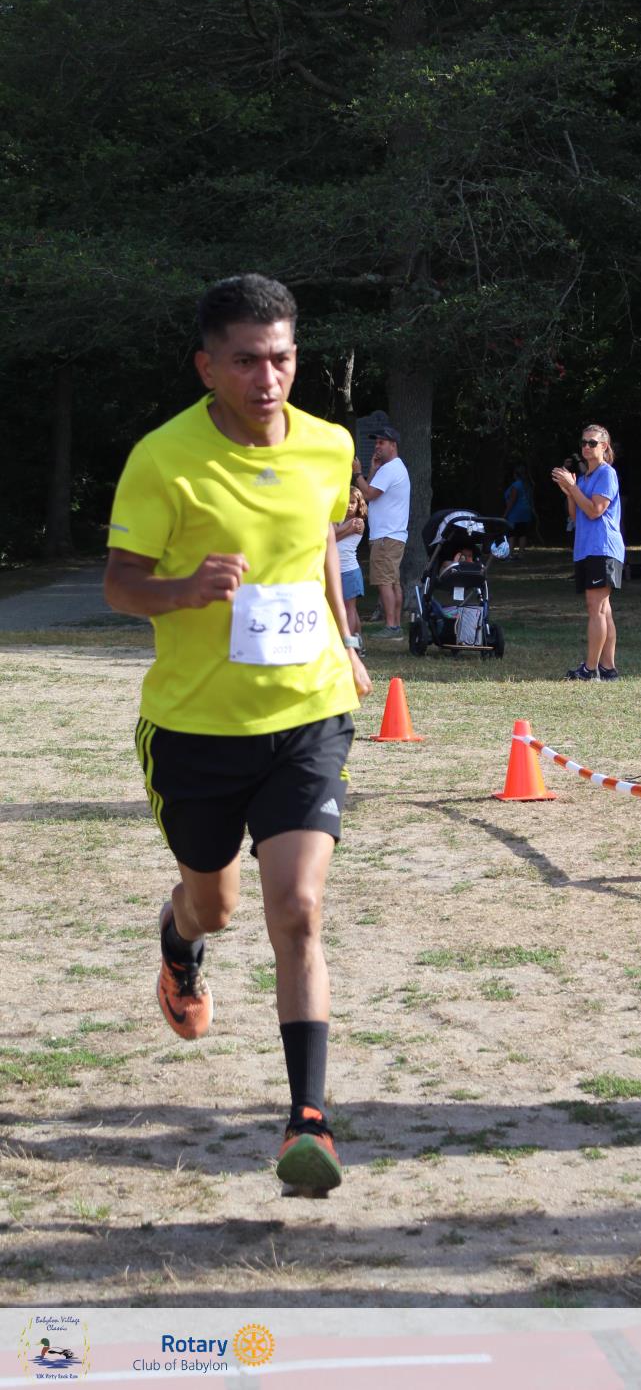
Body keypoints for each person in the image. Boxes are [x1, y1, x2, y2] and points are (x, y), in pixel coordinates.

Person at [103, 273, 372, 1196]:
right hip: (195, 729)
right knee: (213, 907)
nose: (269, 378)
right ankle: (179, 944)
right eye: (248, 360)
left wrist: (347, 641)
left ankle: (310, 1123)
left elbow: (321, 543)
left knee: (297, 907)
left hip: (307, 712)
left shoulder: (329, 445)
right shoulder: (163, 458)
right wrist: (184, 590)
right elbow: (119, 582)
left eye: (282, 359)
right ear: (207, 366)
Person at [551, 423, 625, 680]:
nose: (586, 447)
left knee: (596, 607)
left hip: (602, 547)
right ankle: (608, 668)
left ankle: (590, 669)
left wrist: (573, 489)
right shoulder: (584, 479)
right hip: (587, 548)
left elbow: (595, 511)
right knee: (603, 609)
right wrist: (569, 491)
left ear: (604, 446)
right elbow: (576, 515)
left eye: (592, 443)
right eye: (583, 442)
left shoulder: (606, 473)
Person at [352, 428, 410, 640]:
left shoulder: (390, 469)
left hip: (386, 536)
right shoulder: (393, 468)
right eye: (376, 442)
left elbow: (367, 494)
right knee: (393, 582)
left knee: (384, 582)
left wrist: (357, 473)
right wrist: (372, 470)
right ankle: (396, 626)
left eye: (381, 443)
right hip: (393, 535)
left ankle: (392, 627)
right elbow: (371, 490)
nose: (377, 446)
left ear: (393, 445)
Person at [334, 486, 367, 653]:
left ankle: (349, 646)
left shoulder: (358, 522)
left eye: (353, 502)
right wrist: (340, 532)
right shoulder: (336, 520)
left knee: (350, 609)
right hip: (335, 571)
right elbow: (330, 537)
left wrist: (335, 534)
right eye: (346, 502)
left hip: (349, 571)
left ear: (359, 504)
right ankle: (358, 642)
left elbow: (331, 538)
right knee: (344, 609)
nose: (349, 505)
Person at [503, 465, 534, 555]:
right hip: (526, 511)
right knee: (522, 533)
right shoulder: (527, 485)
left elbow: (512, 500)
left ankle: (510, 554)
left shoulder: (516, 485)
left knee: (511, 533)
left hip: (515, 512)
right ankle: (521, 554)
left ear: (515, 474)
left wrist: (505, 513)